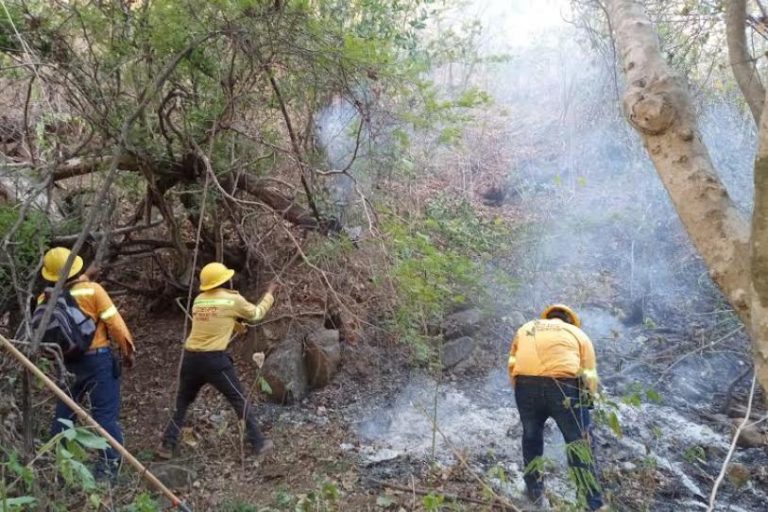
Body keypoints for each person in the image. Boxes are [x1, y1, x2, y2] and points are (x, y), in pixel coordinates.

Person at [159, 262, 277, 459]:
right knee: (239, 399)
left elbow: (213, 322)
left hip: (190, 359)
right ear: (224, 280)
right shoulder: (233, 300)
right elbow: (256, 314)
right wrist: (270, 294)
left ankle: (166, 445)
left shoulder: (198, 301)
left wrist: (237, 326)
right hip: (214, 360)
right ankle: (259, 442)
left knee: (182, 402)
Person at [40, 247, 135, 481]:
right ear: (75, 267)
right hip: (97, 361)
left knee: (64, 416)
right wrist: (128, 351)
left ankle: (61, 471)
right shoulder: (93, 291)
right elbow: (115, 324)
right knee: (104, 417)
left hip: (66, 363)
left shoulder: (45, 298)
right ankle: (109, 468)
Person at [507, 304, 606, 511]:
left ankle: (534, 492)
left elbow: (512, 363)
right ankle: (592, 503)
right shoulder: (578, 334)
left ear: (547, 317)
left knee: (531, 436)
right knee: (577, 443)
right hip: (563, 387)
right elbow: (589, 373)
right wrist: (587, 403)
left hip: (525, 385)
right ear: (570, 321)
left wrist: (521, 390)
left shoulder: (526, 328)